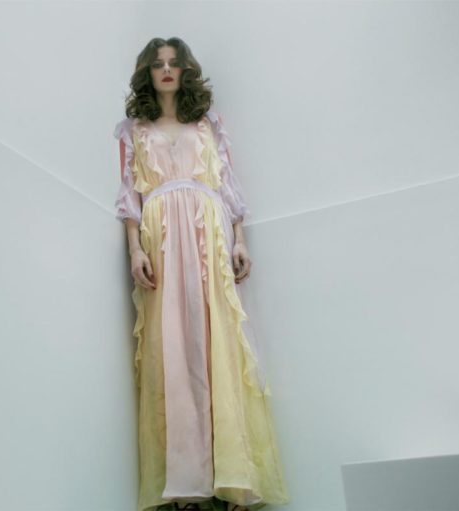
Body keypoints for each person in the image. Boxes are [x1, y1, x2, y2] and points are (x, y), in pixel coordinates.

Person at [114, 37, 291, 511]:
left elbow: (228, 185)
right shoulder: (134, 131)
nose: (166, 70)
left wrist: (239, 240)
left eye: (174, 63)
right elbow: (129, 195)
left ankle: (235, 478)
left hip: (208, 234)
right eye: (158, 64)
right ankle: (186, 484)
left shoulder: (208, 124)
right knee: (172, 351)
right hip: (162, 239)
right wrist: (134, 249)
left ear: (185, 70)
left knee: (218, 345)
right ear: (147, 72)